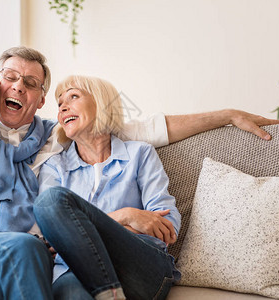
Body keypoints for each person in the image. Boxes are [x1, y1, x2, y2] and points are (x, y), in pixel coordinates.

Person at [0, 46, 279, 299]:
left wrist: (227, 115)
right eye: (10, 78)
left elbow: (145, 128)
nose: (18, 87)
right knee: (29, 245)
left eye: (30, 84)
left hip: (18, 256)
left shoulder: (49, 140)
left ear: (39, 100)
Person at [34, 75, 181, 300]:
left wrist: (79, 234)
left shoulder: (139, 154)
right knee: (50, 203)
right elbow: (53, 235)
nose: (63, 107)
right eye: (60, 103)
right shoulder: (55, 166)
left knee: (53, 200)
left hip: (140, 268)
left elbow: (167, 227)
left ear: (101, 103)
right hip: (73, 270)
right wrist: (127, 216)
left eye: (73, 96)